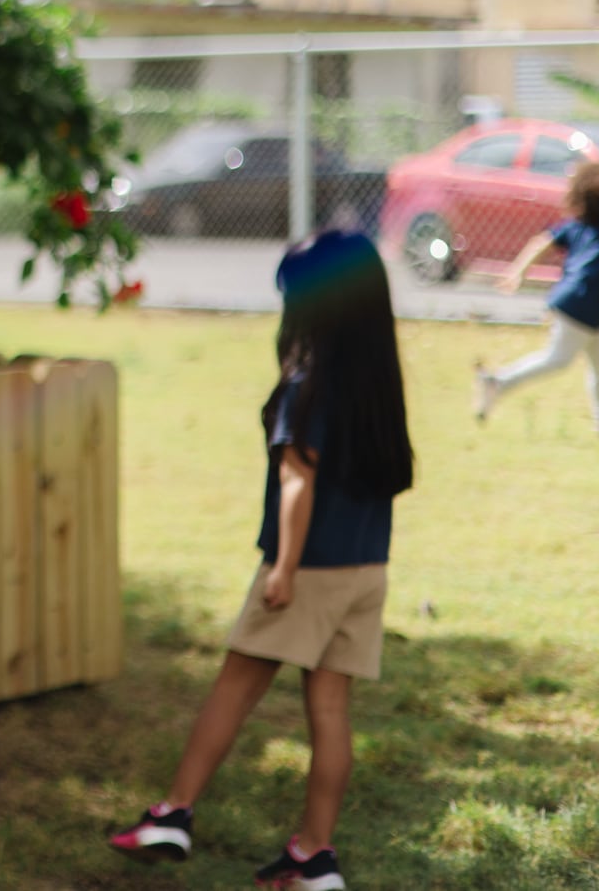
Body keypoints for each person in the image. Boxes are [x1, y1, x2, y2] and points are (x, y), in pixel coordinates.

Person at [110, 230, 413, 890]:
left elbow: (298, 480)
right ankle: (314, 855)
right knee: (330, 710)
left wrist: (284, 568)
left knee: (236, 685)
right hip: (366, 568)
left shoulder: (310, 385)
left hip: (307, 568)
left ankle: (172, 813)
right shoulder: (379, 385)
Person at [474, 159, 599, 441]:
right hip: (581, 304)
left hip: (569, 299)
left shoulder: (579, 226)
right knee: (557, 359)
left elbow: (541, 242)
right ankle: (498, 382)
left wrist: (518, 272)